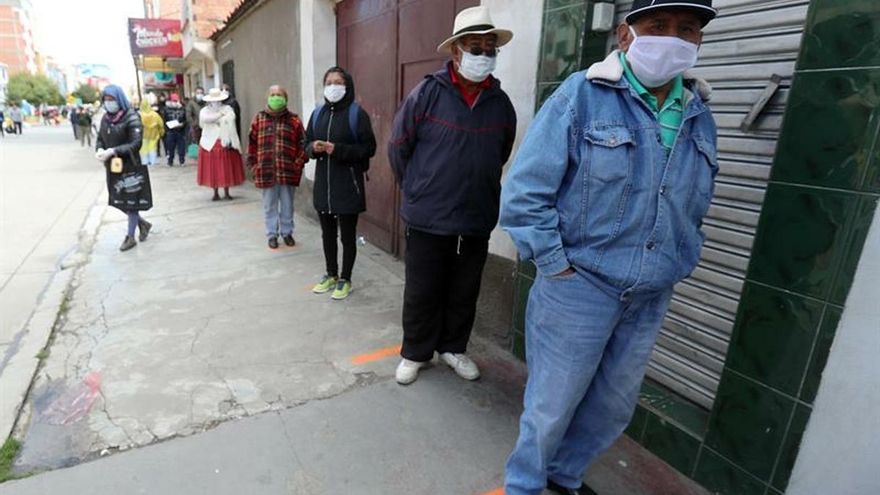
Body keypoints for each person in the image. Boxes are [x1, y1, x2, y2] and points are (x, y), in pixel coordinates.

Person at [499, 1, 719, 494]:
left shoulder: (700, 113)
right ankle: (525, 485)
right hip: (579, 287)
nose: (674, 38)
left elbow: (695, 202)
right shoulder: (583, 96)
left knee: (612, 406)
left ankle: (564, 477)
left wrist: (682, 258)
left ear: (700, 42)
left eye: (687, 30)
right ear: (625, 35)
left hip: (650, 294)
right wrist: (555, 267)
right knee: (551, 406)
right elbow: (525, 193)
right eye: (658, 26)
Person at [388, 5, 516, 385]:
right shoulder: (427, 94)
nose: (483, 55)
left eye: (490, 48)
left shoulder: (501, 103)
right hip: (428, 216)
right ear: (456, 51)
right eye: (475, 47)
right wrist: (418, 190)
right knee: (422, 290)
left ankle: (453, 348)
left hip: (475, 217)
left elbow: (502, 152)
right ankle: (415, 353)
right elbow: (399, 147)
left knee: (464, 290)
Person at [306, 67, 377, 300]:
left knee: (347, 236)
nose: (333, 86)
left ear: (347, 86)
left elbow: (369, 148)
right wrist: (313, 149)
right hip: (323, 186)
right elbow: (304, 144)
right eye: (329, 82)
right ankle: (331, 274)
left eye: (338, 82)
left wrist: (339, 150)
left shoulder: (357, 114)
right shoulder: (317, 114)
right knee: (327, 234)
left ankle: (346, 278)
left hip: (348, 185)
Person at [246, 85, 309, 250]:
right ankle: (272, 234)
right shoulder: (259, 119)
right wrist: (253, 165)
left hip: (288, 171)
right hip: (265, 172)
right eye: (272, 94)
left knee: (288, 204)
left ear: (285, 99)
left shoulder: (294, 120)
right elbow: (251, 144)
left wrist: (298, 163)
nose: (276, 97)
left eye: (279, 95)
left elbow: (304, 144)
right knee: (269, 205)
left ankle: (287, 232)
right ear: (267, 98)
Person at [95, 85, 154, 252]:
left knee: (131, 201)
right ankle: (142, 224)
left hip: (130, 164)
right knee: (117, 199)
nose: (108, 103)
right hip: (113, 165)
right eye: (106, 100)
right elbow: (100, 138)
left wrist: (114, 150)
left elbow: (136, 143)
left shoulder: (131, 117)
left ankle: (130, 237)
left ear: (119, 99)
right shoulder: (106, 118)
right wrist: (100, 150)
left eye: (112, 99)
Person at [197, 87, 245, 201]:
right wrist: (219, 116)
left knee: (225, 169)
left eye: (218, 100)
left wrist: (220, 117)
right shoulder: (204, 110)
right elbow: (205, 120)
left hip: (225, 141)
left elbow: (231, 118)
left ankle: (227, 191)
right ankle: (215, 192)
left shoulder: (228, 108)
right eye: (213, 100)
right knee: (213, 169)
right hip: (209, 143)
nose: (216, 102)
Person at [161, 93, 188, 166]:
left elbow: (186, 119)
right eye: (174, 101)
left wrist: (183, 124)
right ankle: (170, 161)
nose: (175, 102)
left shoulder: (182, 108)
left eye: (176, 101)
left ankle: (182, 161)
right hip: (170, 131)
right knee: (170, 148)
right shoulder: (166, 109)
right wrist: (167, 127)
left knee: (181, 148)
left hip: (180, 131)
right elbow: (164, 120)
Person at [138, 100, 164, 166]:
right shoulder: (155, 115)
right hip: (154, 134)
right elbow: (161, 124)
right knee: (152, 148)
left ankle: (145, 161)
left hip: (143, 135)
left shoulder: (140, 115)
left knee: (144, 148)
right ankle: (153, 161)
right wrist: (161, 131)